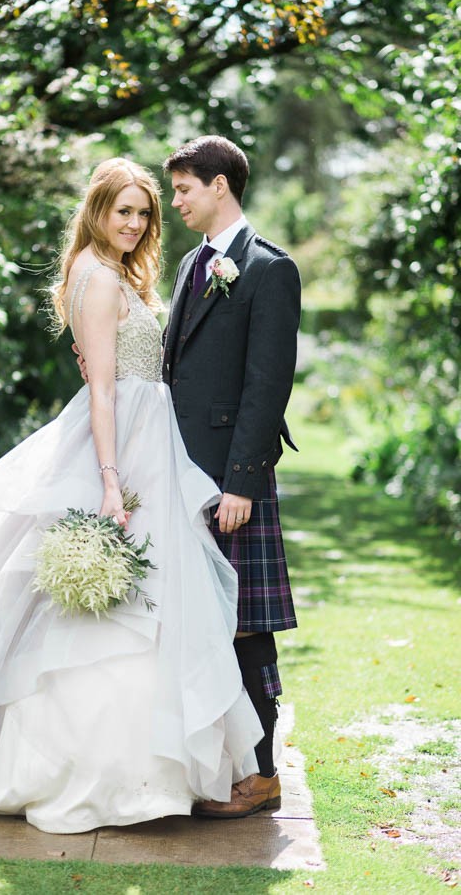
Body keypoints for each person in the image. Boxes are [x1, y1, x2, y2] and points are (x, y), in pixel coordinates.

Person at [0, 158, 263, 834]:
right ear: (97, 211)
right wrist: (112, 480)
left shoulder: (113, 272)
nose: (138, 223)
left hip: (149, 437)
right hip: (121, 447)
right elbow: (105, 389)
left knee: (148, 602)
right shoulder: (93, 275)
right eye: (125, 211)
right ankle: (91, 769)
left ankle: (150, 764)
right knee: (107, 609)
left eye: (145, 213)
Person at [162, 136, 301, 818]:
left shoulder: (270, 269)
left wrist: (243, 481)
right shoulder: (194, 263)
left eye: (185, 188)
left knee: (246, 624)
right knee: (199, 619)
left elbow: (267, 383)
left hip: (231, 480)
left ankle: (265, 774)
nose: (176, 201)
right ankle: (216, 761)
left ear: (221, 186)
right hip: (181, 473)